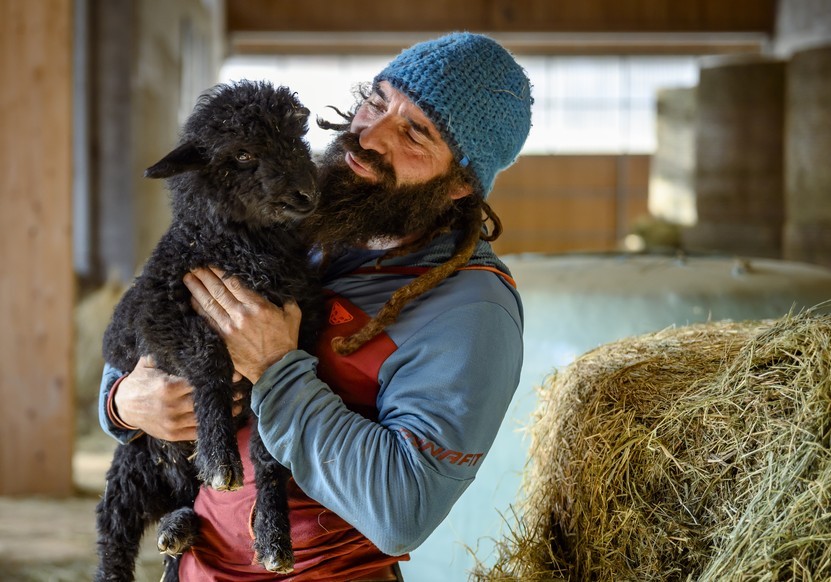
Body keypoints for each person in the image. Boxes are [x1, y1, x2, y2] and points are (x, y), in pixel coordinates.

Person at [98, 31, 533, 581]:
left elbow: (403, 511)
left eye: (415, 134)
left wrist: (277, 370)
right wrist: (122, 401)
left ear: (459, 186)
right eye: (376, 101)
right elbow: (154, 306)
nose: (368, 135)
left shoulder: (471, 310)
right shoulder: (300, 215)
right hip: (197, 565)